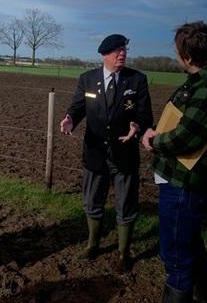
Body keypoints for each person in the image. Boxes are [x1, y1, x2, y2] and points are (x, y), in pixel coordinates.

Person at [142, 21, 207, 303]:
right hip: (180, 176)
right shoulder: (204, 80)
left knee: (175, 254)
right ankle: (200, 296)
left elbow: (188, 137)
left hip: (185, 182)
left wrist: (153, 141)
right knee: (188, 241)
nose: (175, 56)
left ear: (189, 58)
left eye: (176, 52)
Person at [60, 34, 153, 272]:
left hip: (125, 153)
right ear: (104, 55)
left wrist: (137, 126)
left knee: (126, 204)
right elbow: (78, 107)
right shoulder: (87, 79)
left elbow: (144, 115)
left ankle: (123, 253)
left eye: (124, 50)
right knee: (92, 201)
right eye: (117, 51)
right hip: (95, 152)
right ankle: (93, 244)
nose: (122, 54)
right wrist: (70, 119)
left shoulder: (137, 80)